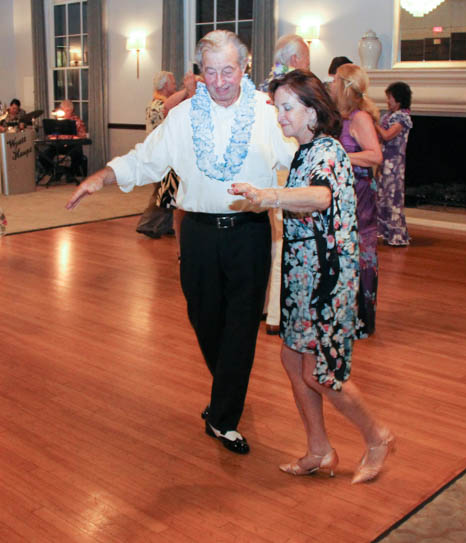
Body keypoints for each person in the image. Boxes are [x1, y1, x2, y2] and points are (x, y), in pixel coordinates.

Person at [66, 30, 297, 454]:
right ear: (200, 72)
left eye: (229, 70)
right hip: (198, 234)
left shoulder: (268, 112)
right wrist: (100, 177)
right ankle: (226, 395)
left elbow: (299, 152)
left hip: (249, 233)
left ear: (244, 66)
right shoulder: (185, 115)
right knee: (205, 320)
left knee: (242, 328)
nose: (221, 80)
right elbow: (145, 158)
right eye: (211, 71)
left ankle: (224, 418)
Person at [229, 70, 395, 483]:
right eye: (277, 107)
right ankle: (320, 449)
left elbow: (320, 196)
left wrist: (270, 196)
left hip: (327, 276)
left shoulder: (327, 150)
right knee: (292, 357)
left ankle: (378, 436)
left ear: (312, 112)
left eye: (287, 108)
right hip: (304, 271)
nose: (280, 116)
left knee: (321, 371)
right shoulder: (304, 151)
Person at [259, 34, 311, 336]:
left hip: (265, 175)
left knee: (268, 243)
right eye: (306, 60)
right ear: (294, 61)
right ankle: (277, 314)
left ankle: (264, 305)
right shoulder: (291, 94)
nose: (308, 66)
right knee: (282, 244)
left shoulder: (263, 89)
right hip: (285, 173)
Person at [331, 63, 382, 336]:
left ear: (344, 85)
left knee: (360, 253)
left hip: (359, 195)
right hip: (344, 193)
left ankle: (360, 317)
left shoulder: (360, 118)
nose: (330, 84)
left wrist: (339, 157)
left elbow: (375, 156)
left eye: (334, 80)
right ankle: (343, 314)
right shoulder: (341, 115)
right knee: (343, 252)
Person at [135, 71, 179, 238]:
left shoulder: (159, 102)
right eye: (173, 82)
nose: (175, 85)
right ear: (166, 85)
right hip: (158, 155)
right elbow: (169, 108)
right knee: (163, 190)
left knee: (167, 189)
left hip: (163, 154)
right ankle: (147, 225)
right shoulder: (157, 105)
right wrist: (187, 91)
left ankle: (163, 225)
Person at [376, 81, 413, 246]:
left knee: (393, 197)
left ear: (398, 99)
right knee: (382, 196)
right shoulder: (388, 116)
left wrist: (373, 123)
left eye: (390, 98)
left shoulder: (402, 117)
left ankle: (397, 235)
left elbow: (387, 135)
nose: (388, 101)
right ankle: (385, 232)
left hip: (394, 165)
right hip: (384, 163)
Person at [38, 100, 88, 181]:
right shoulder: (57, 121)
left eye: (67, 110)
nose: (66, 112)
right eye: (64, 110)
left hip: (71, 146)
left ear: (71, 111)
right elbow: (50, 135)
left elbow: (83, 136)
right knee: (43, 156)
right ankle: (55, 171)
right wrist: (52, 137)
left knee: (77, 155)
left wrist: (74, 137)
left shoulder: (77, 121)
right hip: (58, 145)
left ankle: (70, 174)